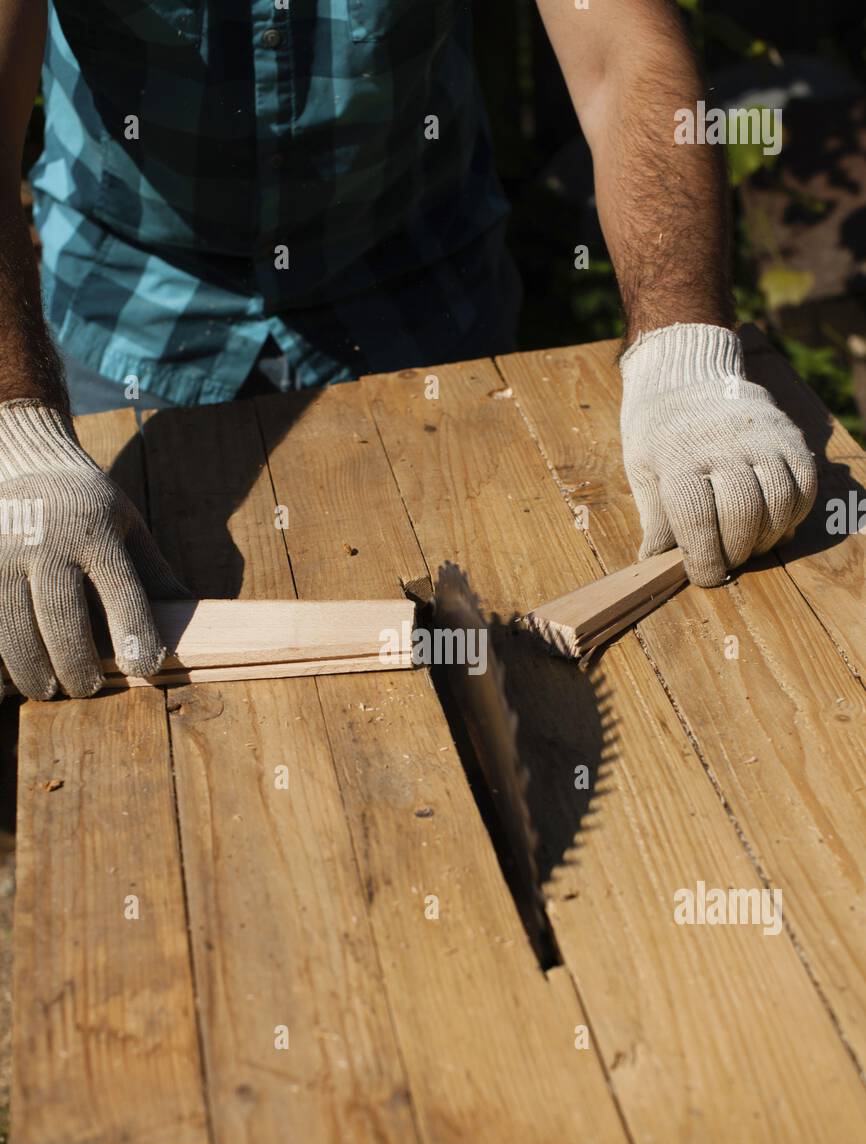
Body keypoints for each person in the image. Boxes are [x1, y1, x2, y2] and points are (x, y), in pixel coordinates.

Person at [0, 0, 816, 698]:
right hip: (132, 296)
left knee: (487, 666)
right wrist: (15, 432)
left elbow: (621, 50)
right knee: (115, 668)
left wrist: (687, 352)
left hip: (419, 283)